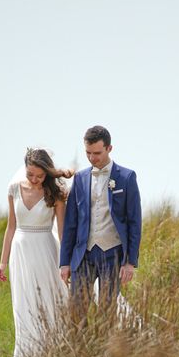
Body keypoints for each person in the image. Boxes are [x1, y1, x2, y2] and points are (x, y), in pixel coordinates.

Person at [0, 148, 73, 357]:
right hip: (19, 254)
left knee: (48, 304)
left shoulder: (56, 194)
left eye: (40, 176)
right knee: (23, 306)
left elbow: (61, 231)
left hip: (45, 251)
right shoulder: (13, 189)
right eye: (31, 174)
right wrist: (2, 261)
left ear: (47, 174)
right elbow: (10, 227)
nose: (35, 179)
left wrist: (65, 263)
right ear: (26, 169)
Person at [59, 125, 142, 327]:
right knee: (77, 312)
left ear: (109, 148)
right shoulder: (79, 178)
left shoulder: (127, 177)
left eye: (97, 153)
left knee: (107, 313)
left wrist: (130, 262)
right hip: (83, 255)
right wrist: (65, 262)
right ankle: (79, 354)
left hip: (112, 253)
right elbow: (71, 223)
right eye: (88, 153)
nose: (92, 158)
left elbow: (134, 221)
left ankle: (106, 355)